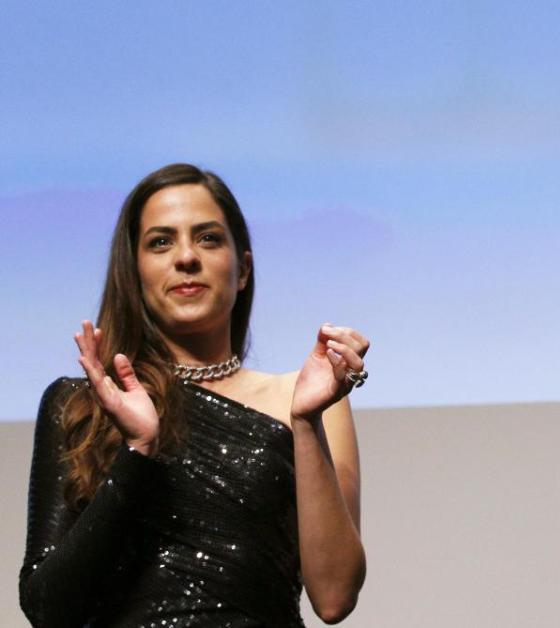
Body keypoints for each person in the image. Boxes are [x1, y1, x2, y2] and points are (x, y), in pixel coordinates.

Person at [19, 163, 368, 626]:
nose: (186, 257)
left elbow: (334, 598)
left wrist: (304, 423)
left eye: (208, 238)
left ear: (242, 270)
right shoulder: (83, 405)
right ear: (134, 272)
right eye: (160, 242)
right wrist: (138, 452)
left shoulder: (309, 402)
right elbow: (47, 609)